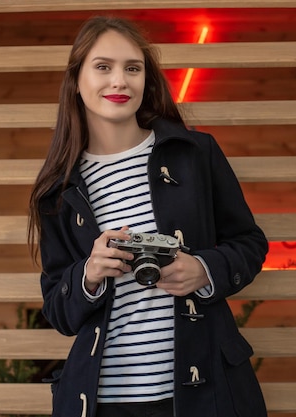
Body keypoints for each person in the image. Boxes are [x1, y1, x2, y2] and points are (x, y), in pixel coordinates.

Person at [28, 15, 269, 417]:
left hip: (202, 390)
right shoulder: (58, 188)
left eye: (132, 68)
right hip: (102, 400)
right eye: (103, 67)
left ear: (146, 79)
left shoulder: (195, 153)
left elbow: (250, 243)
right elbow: (57, 309)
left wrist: (203, 270)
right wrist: (89, 273)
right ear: (76, 79)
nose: (119, 81)